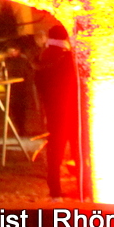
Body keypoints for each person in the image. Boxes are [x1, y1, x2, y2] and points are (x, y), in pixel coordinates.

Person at [34, 24, 79, 199]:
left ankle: (55, 192)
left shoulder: (42, 56)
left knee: (55, 153)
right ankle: (84, 188)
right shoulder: (68, 57)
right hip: (71, 109)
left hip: (53, 111)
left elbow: (40, 85)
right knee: (78, 150)